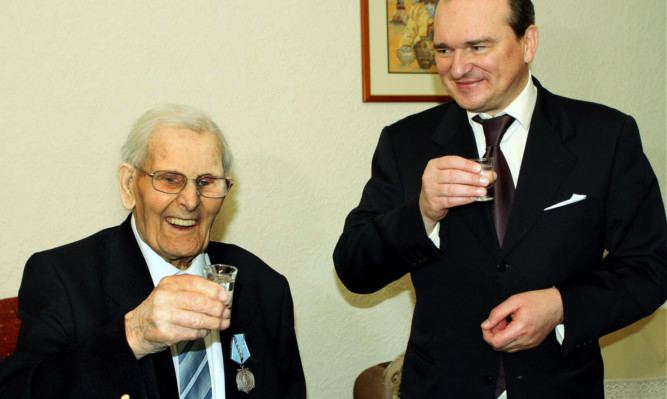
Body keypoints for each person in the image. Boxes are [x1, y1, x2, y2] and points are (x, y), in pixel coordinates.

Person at [333, 0, 667, 398]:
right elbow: (354, 268)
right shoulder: (405, 143)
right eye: (443, 50)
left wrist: (562, 305)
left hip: (560, 386)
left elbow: (651, 267)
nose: (457, 68)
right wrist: (421, 213)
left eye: (477, 47)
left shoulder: (605, 137)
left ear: (528, 43)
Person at [0, 104, 306, 398]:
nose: (190, 200)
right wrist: (132, 336)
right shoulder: (64, 279)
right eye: (169, 179)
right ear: (129, 185)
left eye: (206, 181)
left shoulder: (264, 287)